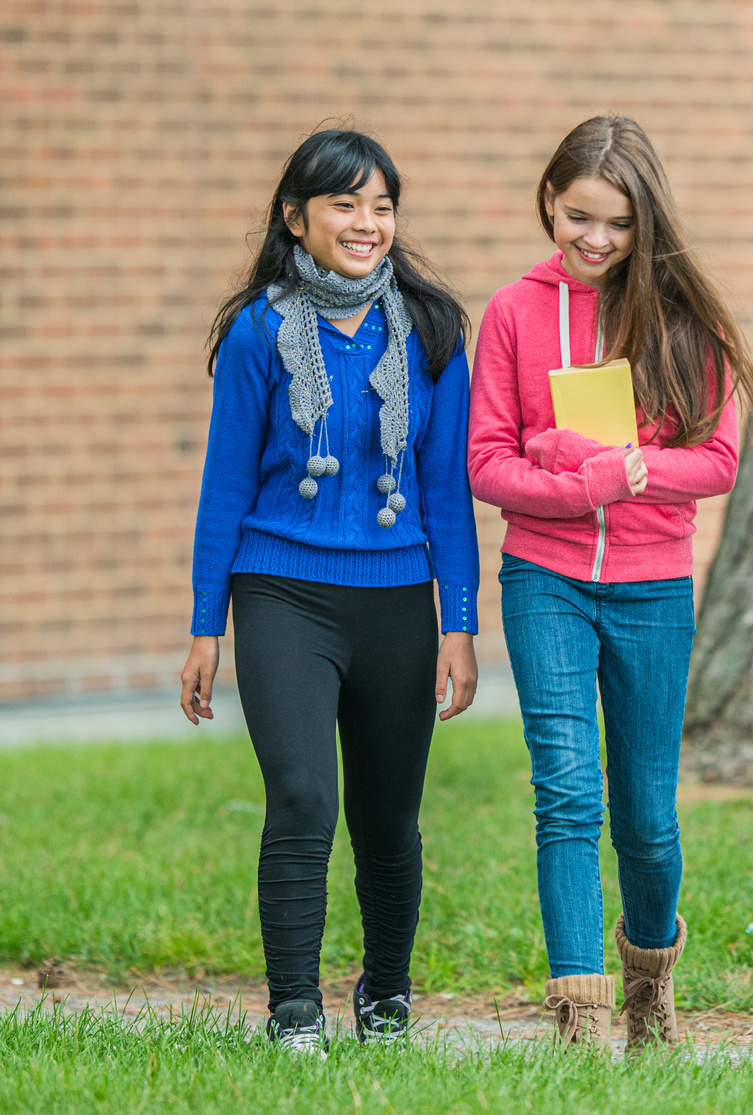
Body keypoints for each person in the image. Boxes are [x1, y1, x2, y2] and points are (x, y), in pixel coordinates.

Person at [467, 116, 753, 1053]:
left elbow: (717, 461)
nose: (595, 239)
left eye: (619, 223)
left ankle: (649, 986)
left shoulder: (687, 317)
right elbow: (486, 463)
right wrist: (574, 478)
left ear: (649, 222)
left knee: (644, 812)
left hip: (650, 589)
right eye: (579, 217)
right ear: (550, 205)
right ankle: (579, 1011)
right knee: (564, 789)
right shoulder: (515, 313)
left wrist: (628, 466)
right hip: (545, 579)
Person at [179, 129, 479, 1056]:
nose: (366, 223)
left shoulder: (430, 329)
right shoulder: (259, 330)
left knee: (388, 815)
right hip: (280, 593)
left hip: (397, 596)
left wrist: (459, 621)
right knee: (304, 798)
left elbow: (445, 490)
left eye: (382, 205)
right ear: (295, 217)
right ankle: (294, 1009)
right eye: (345, 204)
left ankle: (385, 997)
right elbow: (226, 481)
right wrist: (205, 625)